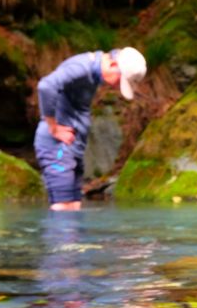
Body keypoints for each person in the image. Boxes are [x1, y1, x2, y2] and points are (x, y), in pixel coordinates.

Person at [34, 47, 146, 211]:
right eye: (119, 80)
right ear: (113, 64)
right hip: (57, 148)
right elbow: (45, 86)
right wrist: (53, 127)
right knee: (63, 208)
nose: (116, 87)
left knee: (74, 207)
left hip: (72, 148)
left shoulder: (93, 74)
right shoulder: (81, 68)